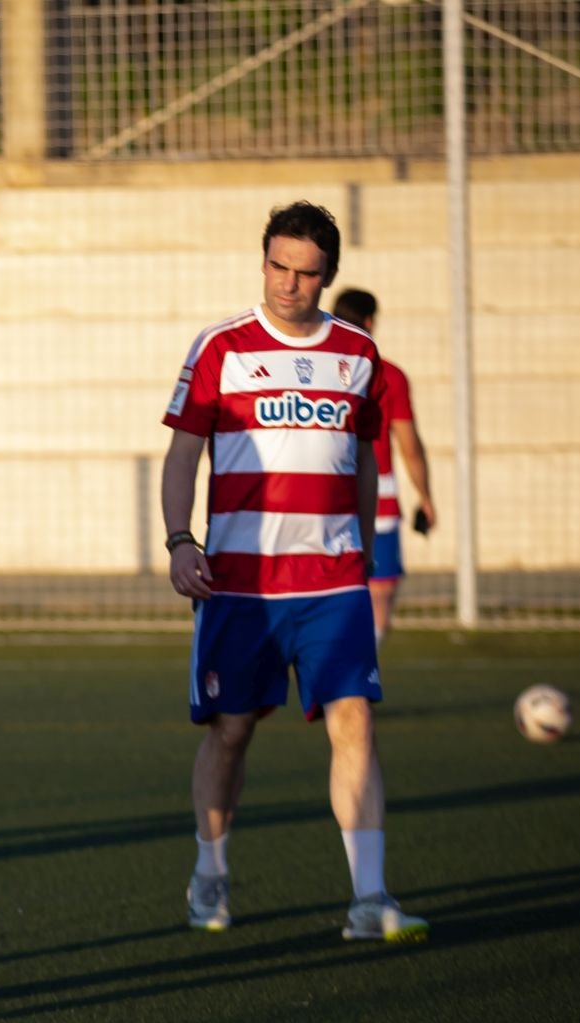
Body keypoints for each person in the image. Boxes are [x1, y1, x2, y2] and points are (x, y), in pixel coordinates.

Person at [161, 202, 427, 943]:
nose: (290, 284)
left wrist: (368, 547)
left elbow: (367, 454)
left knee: (355, 722)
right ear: (264, 262)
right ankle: (210, 872)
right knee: (233, 732)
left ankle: (370, 900)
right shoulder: (220, 347)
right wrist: (181, 540)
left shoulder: (358, 354)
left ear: (328, 277)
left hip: (333, 579)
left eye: (307, 273)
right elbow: (184, 453)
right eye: (279, 266)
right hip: (240, 585)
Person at [329, 287, 437, 647]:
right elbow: (410, 446)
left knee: (326, 594)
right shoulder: (389, 375)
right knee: (379, 592)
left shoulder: (319, 371)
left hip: (324, 494)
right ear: (371, 321)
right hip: (379, 498)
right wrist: (426, 498)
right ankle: (356, 683)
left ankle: (336, 686)